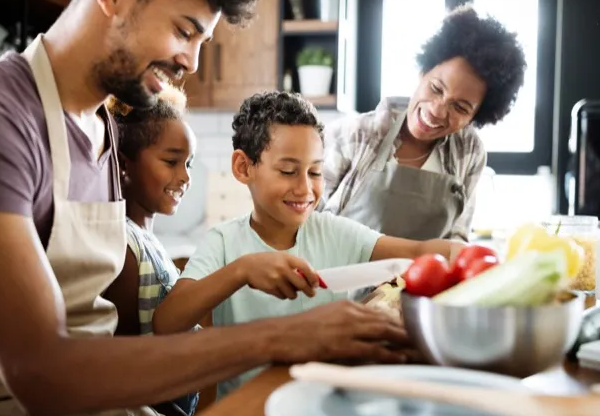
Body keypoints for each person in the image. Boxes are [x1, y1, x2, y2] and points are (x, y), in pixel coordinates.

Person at [0, 0, 409, 416]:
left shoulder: (99, 128)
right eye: (184, 30)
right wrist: (284, 336)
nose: (191, 61)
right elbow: (40, 373)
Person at [152, 91, 463, 399]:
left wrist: (478, 259)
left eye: (315, 172)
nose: (305, 188)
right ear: (244, 167)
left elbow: (421, 253)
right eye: (288, 171)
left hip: (320, 406)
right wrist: (241, 271)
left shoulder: (334, 231)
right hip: (245, 414)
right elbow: (167, 323)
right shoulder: (223, 242)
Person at [321, 4, 527, 242]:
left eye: (460, 107)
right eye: (436, 88)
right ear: (423, 73)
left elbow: (457, 239)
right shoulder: (351, 135)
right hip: (342, 278)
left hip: (426, 279)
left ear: (476, 116)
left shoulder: (469, 151)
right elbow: (306, 229)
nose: (437, 111)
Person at [103, 87, 202, 416]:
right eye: (171, 161)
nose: (185, 176)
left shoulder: (145, 239)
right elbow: (124, 371)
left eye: (188, 163)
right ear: (124, 162)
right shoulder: (125, 251)